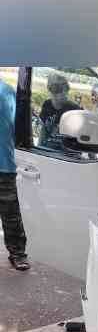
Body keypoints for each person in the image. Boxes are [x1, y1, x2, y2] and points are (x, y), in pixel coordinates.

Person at [0, 79, 29, 271]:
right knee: (11, 214)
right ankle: (18, 254)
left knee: (11, 214)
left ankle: (18, 254)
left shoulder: (6, 91)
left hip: (4, 163)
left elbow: (17, 128)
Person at [38, 73, 82, 148]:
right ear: (50, 90)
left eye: (66, 88)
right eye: (56, 89)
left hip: (66, 154)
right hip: (47, 151)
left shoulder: (75, 109)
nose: (63, 93)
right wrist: (39, 148)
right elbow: (43, 130)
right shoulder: (47, 104)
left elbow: (83, 135)